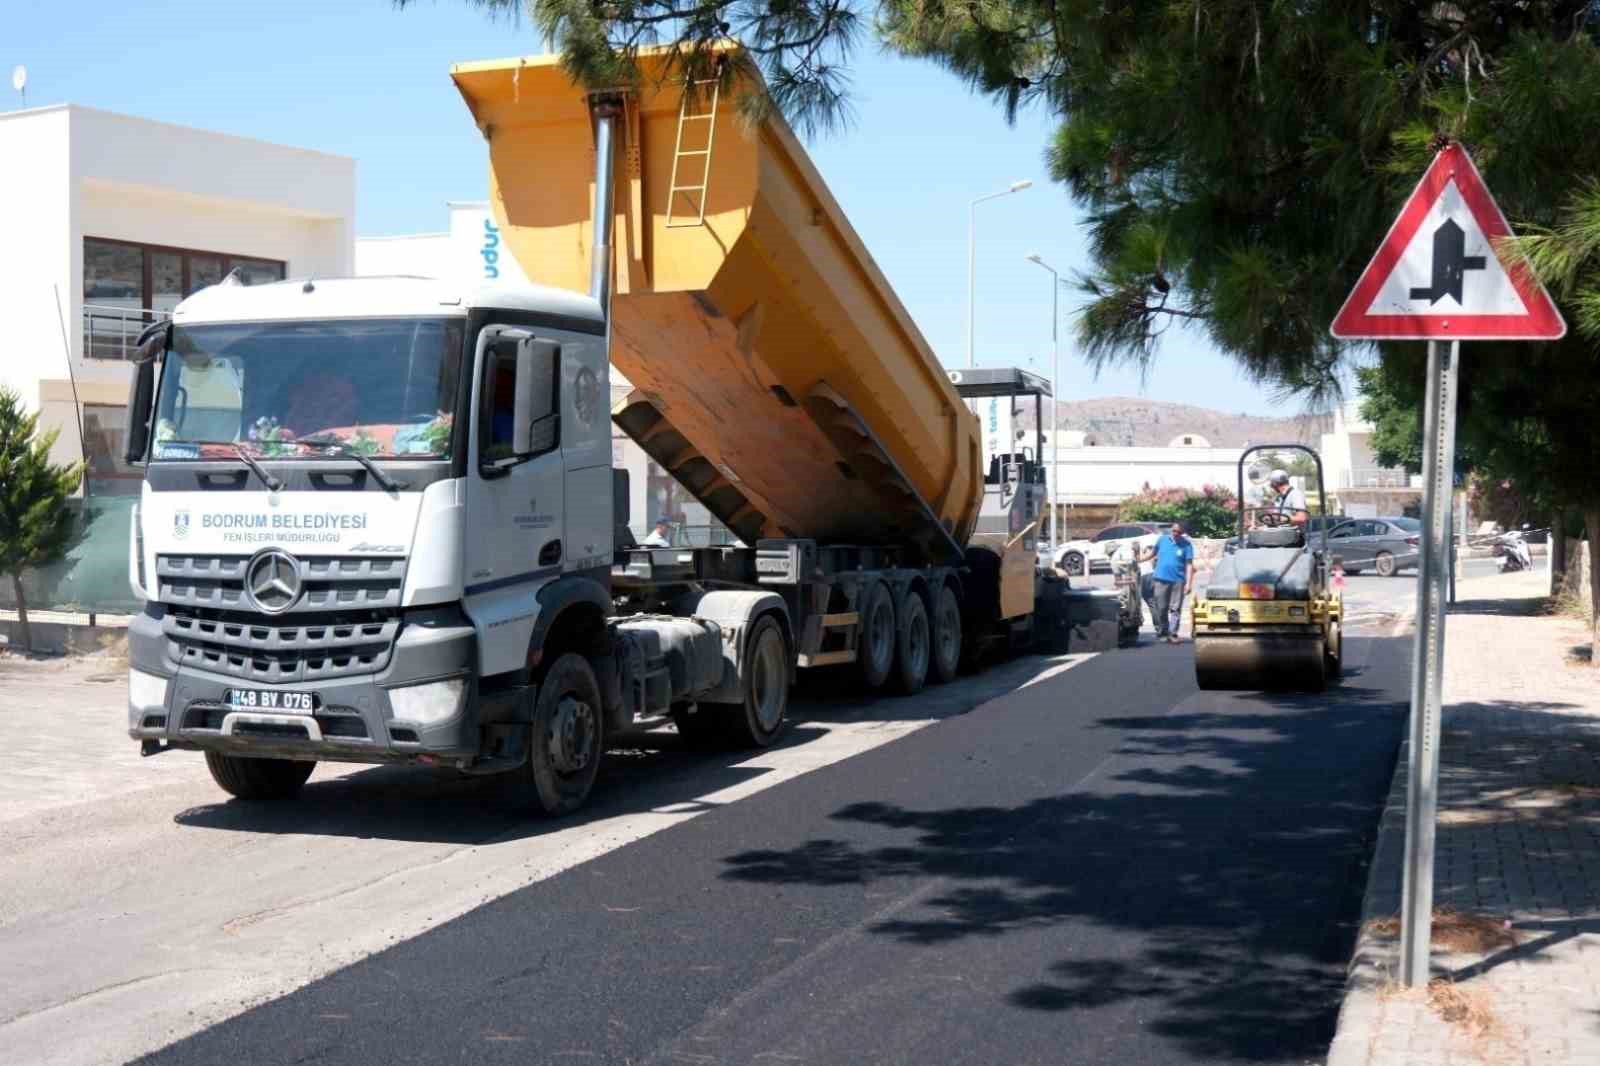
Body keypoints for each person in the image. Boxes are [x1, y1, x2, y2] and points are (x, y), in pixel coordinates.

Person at [1139, 521, 1196, 644]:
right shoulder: (1162, 540)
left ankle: (1173, 633)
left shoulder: (1187, 545)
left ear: (1183, 533)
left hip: (1178, 581)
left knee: (1175, 609)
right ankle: (1163, 631)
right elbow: (1152, 554)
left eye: (1178, 532)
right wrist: (1138, 560)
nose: (1175, 534)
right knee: (1161, 608)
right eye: (1174, 531)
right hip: (1160, 579)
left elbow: (1189, 565)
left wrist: (1189, 584)